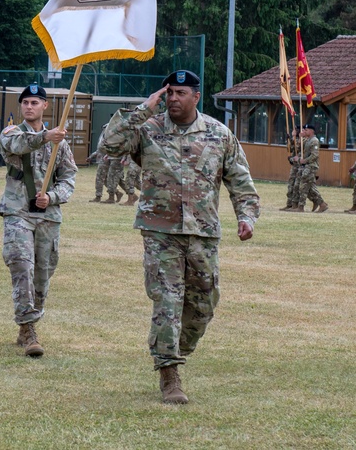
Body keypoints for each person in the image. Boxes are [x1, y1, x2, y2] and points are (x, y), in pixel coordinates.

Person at [101, 70, 259, 404]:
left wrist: (246, 216)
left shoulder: (219, 134)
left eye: (181, 93)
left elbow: (240, 180)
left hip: (203, 232)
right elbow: (110, 143)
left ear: (196, 96)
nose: (173, 98)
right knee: (168, 300)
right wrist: (144, 108)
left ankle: (174, 349)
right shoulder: (148, 129)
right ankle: (168, 371)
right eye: (169, 92)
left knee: (204, 303)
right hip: (160, 231)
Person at [0, 84, 75, 355]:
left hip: (48, 216)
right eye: (25, 102)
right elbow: (17, 145)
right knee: (22, 266)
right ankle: (29, 328)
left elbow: (69, 178)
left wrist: (52, 197)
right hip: (18, 211)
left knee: (43, 272)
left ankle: (31, 318)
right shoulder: (11, 133)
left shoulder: (60, 143)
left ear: (45, 106)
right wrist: (45, 136)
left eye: (35, 102)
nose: (29, 106)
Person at [290, 124, 327, 213]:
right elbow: (298, 148)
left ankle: (301, 207)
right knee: (308, 187)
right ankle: (320, 203)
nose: (304, 131)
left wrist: (304, 161)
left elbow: (314, 155)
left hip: (311, 166)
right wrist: (296, 137)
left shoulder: (314, 141)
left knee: (303, 186)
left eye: (306, 130)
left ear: (311, 131)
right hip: (306, 166)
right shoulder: (308, 140)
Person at [281, 128, 302, 211]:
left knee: (296, 186)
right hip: (294, 165)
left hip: (299, 165)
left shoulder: (300, 140)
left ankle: (295, 204)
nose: (293, 131)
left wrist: (292, 138)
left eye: (295, 130)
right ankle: (289, 203)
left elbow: (297, 148)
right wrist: (288, 140)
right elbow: (290, 149)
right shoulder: (295, 139)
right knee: (290, 184)